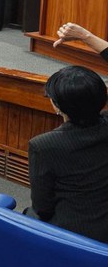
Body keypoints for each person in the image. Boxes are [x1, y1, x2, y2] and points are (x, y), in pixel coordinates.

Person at [26, 66, 108, 243]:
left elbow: (43, 207)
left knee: (27, 214)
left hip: (74, 234)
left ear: (57, 106)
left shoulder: (43, 145)